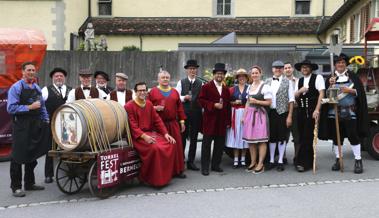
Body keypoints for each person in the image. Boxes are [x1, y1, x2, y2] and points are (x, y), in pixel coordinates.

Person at [319, 53, 369, 174]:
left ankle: (358, 161)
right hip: (334, 112)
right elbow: (325, 94)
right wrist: (329, 85)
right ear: (335, 65)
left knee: (353, 136)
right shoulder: (330, 78)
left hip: (349, 111)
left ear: (345, 64)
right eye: (338, 63)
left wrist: (349, 90)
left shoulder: (353, 77)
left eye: (342, 62)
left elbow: (360, 93)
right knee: (337, 138)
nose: (340, 64)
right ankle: (338, 159)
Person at [7, 62, 50, 197]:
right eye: (29, 70)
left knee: (32, 153)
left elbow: (41, 106)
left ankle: (29, 183)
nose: (31, 72)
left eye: (33, 70)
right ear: (23, 72)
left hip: (35, 124)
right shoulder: (16, 88)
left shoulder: (37, 87)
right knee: (18, 156)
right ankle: (16, 187)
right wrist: (29, 107)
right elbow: (11, 108)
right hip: (21, 125)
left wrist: (46, 119)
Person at [125, 82, 177, 187]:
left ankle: (165, 177)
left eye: (144, 90)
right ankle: (148, 178)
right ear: (135, 92)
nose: (142, 92)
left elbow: (157, 120)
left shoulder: (148, 104)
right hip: (137, 137)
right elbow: (133, 127)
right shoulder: (129, 106)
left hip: (149, 134)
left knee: (170, 143)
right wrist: (144, 137)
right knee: (155, 148)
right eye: (140, 90)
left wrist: (166, 134)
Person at [148, 71, 187, 178]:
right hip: (159, 125)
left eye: (167, 77)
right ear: (158, 79)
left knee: (176, 147)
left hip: (173, 123)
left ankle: (178, 170)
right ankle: (165, 172)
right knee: (163, 149)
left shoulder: (174, 92)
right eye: (163, 77)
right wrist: (155, 108)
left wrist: (182, 121)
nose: (165, 79)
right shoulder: (152, 92)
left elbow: (179, 108)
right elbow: (146, 106)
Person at [198, 63, 231, 176]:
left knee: (219, 145)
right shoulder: (206, 87)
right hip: (209, 121)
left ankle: (216, 165)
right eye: (217, 73)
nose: (219, 75)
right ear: (214, 75)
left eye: (221, 74)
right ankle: (205, 167)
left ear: (224, 75)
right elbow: (201, 100)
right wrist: (213, 105)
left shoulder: (226, 89)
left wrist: (228, 121)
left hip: (221, 122)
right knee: (206, 145)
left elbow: (228, 107)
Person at [41, 67, 72, 183]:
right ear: (52, 78)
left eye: (61, 76)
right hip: (51, 125)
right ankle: (48, 174)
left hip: (67, 125)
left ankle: (69, 171)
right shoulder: (45, 90)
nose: (59, 78)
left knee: (69, 148)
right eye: (56, 76)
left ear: (64, 78)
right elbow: (40, 106)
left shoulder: (71, 90)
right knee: (50, 149)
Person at [294, 60, 325, 172]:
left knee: (308, 137)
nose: (304, 69)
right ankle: (309, 161)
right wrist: (299, 91)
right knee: (302, 136)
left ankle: (302, 163)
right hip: (301, 112)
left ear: (311, 68)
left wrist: (317, 110)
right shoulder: (299, 80)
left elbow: (321, 93)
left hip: (312, 111)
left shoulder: (318, 78)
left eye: (307, 67)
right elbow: (295, 96)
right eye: (303, 67)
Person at [265, 60, 294, 172]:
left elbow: (291, 100)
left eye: (280, 68)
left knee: (282, 138)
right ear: (272, 69)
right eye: (275, 68)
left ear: (282, 70)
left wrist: (290, 116)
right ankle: (272, 160)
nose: (277, 70)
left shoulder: (288, 82)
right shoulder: (267, 81)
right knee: (272, 138)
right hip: (270, 113)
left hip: (283, 113)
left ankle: (281, 160)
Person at [242, 66, 272, 174]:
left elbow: (269, 102)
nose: (254, 75)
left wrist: (257, 101)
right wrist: (244, 116)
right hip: (250, 114)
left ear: (260, 73)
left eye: (256, 73)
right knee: (251, 141)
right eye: (253, 73)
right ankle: (253, 162)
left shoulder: (265, 86)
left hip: (260, 115)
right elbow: (247, 102)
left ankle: (260, 163)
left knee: (261, 140)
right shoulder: (249, 87)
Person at [175, 59, 203, 171]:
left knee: (194, 138)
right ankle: (181, 160)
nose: (192, 70)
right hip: (184, 114)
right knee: (182, 138)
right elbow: (176, 97)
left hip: (196, 114)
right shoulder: (180, 82)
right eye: (190, 69)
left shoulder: (201, 83)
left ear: (196, 70)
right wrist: (184, 98)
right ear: (187, 70)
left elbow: (202, 98)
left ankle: (191, 161)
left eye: (194, 69)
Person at [226, 68, 249, 168]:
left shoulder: (249, 88)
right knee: (236, 135)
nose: (241, 78)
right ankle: (236, 159)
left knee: (244, 135)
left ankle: (243, 159)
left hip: (246, 113)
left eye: (243, 76)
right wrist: (233, 103)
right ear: (237, 78)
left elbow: (251, 101)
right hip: (234, 113)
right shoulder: (232, 89)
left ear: (246, 78)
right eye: (240, 76)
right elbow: (227, 102)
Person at [284, 62, 300, 164]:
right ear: (283, 70)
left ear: (292, 69)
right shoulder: (281, 82)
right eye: (285, 68)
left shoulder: (298, 81)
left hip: (296, 111)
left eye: (289, 67)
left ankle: (297, 157)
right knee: (283, 135)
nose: (288, 69)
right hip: (284, 111)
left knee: (297, 135)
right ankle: (283, 156)